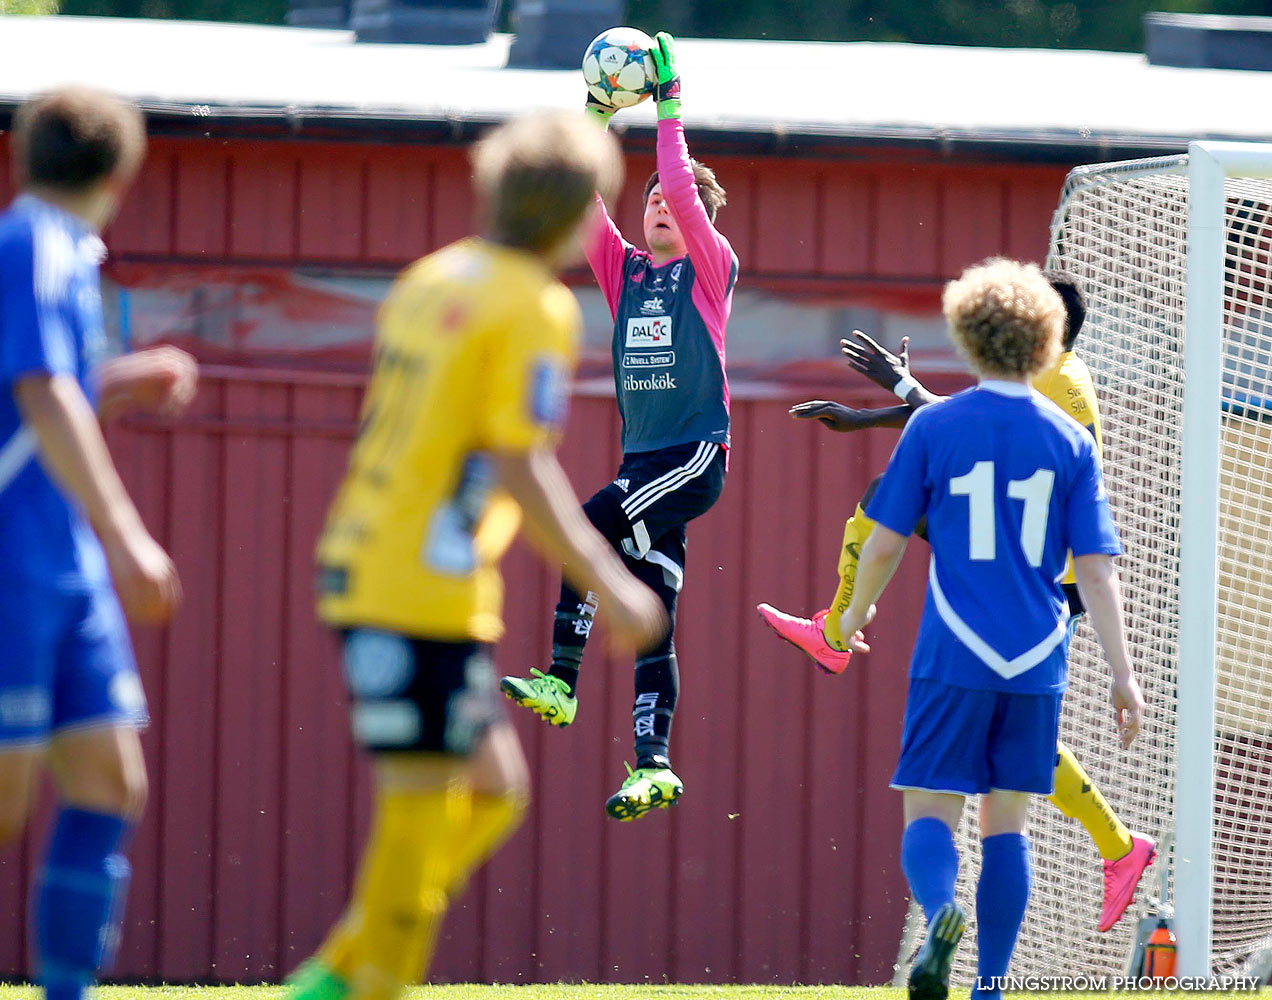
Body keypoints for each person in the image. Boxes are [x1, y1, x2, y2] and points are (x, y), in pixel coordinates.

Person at [289, 112, 667, 1000]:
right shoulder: (531, 303)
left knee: (494, 792)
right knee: (421, 810)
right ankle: (363, 982)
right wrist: (609, 587)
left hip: (394, 566)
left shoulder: (432, 276)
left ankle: (338, 971)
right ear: (581, 214)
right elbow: (522, 466)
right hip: (412, 584)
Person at [759, 271, 1156, 933]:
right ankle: (1118, 848)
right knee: (886, 501)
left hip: (1037, 580)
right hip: (1016, 562)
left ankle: (836, 634)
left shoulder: (1061, 379)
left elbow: (966, 425)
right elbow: (961, 414)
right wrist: (871, 413)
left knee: (1013, 750)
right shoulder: (1047, 370)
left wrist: (895, 391)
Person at [500, 32, 737, 821]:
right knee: (651, 609)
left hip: (690, 456)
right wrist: (595, 115)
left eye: (677, 200)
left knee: (588, 529)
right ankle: (655, 766)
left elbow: (675, 172)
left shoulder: (707, 268)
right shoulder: (624, 269)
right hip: (648, 461)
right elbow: (584, 201)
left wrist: (670, 105)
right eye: (652, 202)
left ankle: (561, 680)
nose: (662, 202)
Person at [0, 87, 197, 1000]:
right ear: (123, 168)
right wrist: (126, 537)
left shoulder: (68, 252)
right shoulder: (33, 240)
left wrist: (117, 380)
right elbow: (42, 393)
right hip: (17, 559)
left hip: (61, 563)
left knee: (111, 784)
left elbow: (44, 397)